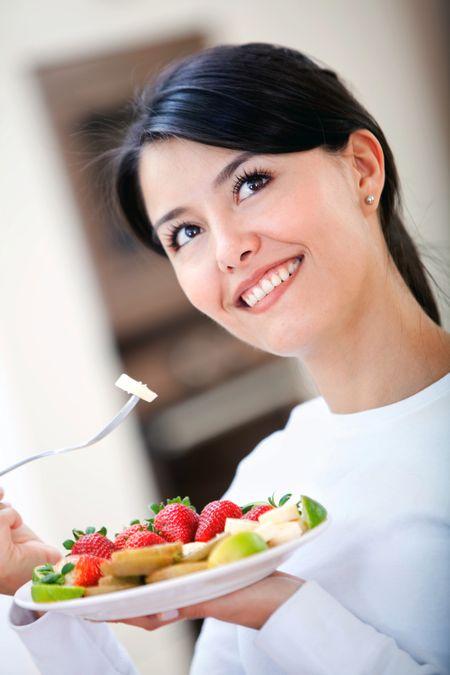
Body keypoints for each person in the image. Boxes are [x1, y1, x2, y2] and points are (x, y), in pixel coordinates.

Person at [1, 43, 449, 674]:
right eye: (186, 233)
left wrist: (276, 606)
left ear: (362, 169)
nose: (228, 251)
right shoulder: (263, 483)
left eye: (250, 183)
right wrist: (46, 595)